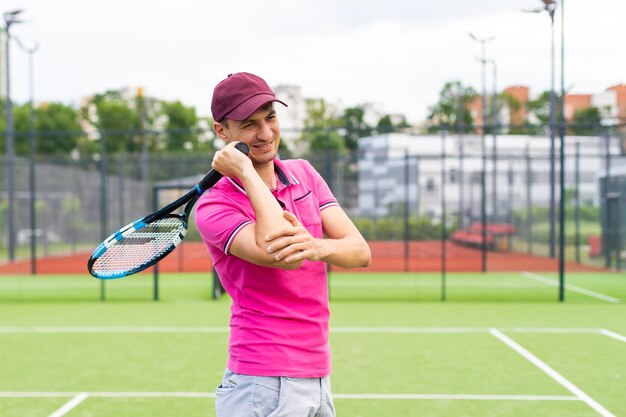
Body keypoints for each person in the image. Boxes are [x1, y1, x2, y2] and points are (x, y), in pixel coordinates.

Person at [195, 72, 371, 417]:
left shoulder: (304, 173)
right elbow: (283, 255)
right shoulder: (214, 206)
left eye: (271, 118)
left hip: (318, 374)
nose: (265, 133)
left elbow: (359, 251)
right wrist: (246, 172)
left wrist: (318, 247)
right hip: (261, 380)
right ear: (222, 132)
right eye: (249, 124)